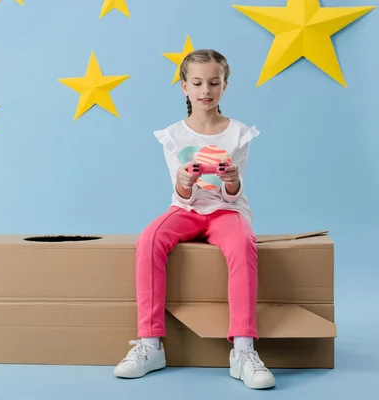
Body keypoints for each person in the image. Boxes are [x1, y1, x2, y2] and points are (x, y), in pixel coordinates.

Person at [113, 49, 276, 390]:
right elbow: (181, 195)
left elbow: (233, 194)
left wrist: (230, 179)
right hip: (186, 210)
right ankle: (150, 343)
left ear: (225, 86)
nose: (206, 90)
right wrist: (184, 183)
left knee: (243, 243)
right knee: (149, 239)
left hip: (226, 211)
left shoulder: (239, 134)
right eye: (197, 82)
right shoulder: (173, 135)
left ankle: (244, 349)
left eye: (214, 83)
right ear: (184, 88)